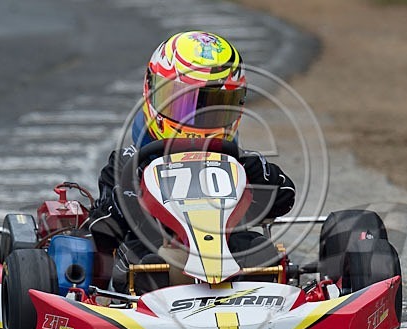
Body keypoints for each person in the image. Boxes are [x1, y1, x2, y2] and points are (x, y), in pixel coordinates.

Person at [88, 31, 295, 292]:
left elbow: (285, 196)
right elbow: (103, 224)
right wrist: (132, 198)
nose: (195, 120)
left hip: (226, 250)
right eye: (183, 104)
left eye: (214, 107)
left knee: (260, 252)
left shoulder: (238, 162)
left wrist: (254, 174)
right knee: (142, 261)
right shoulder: (128, 163)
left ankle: (264, 305)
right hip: (157, 253)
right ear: (152, 91)